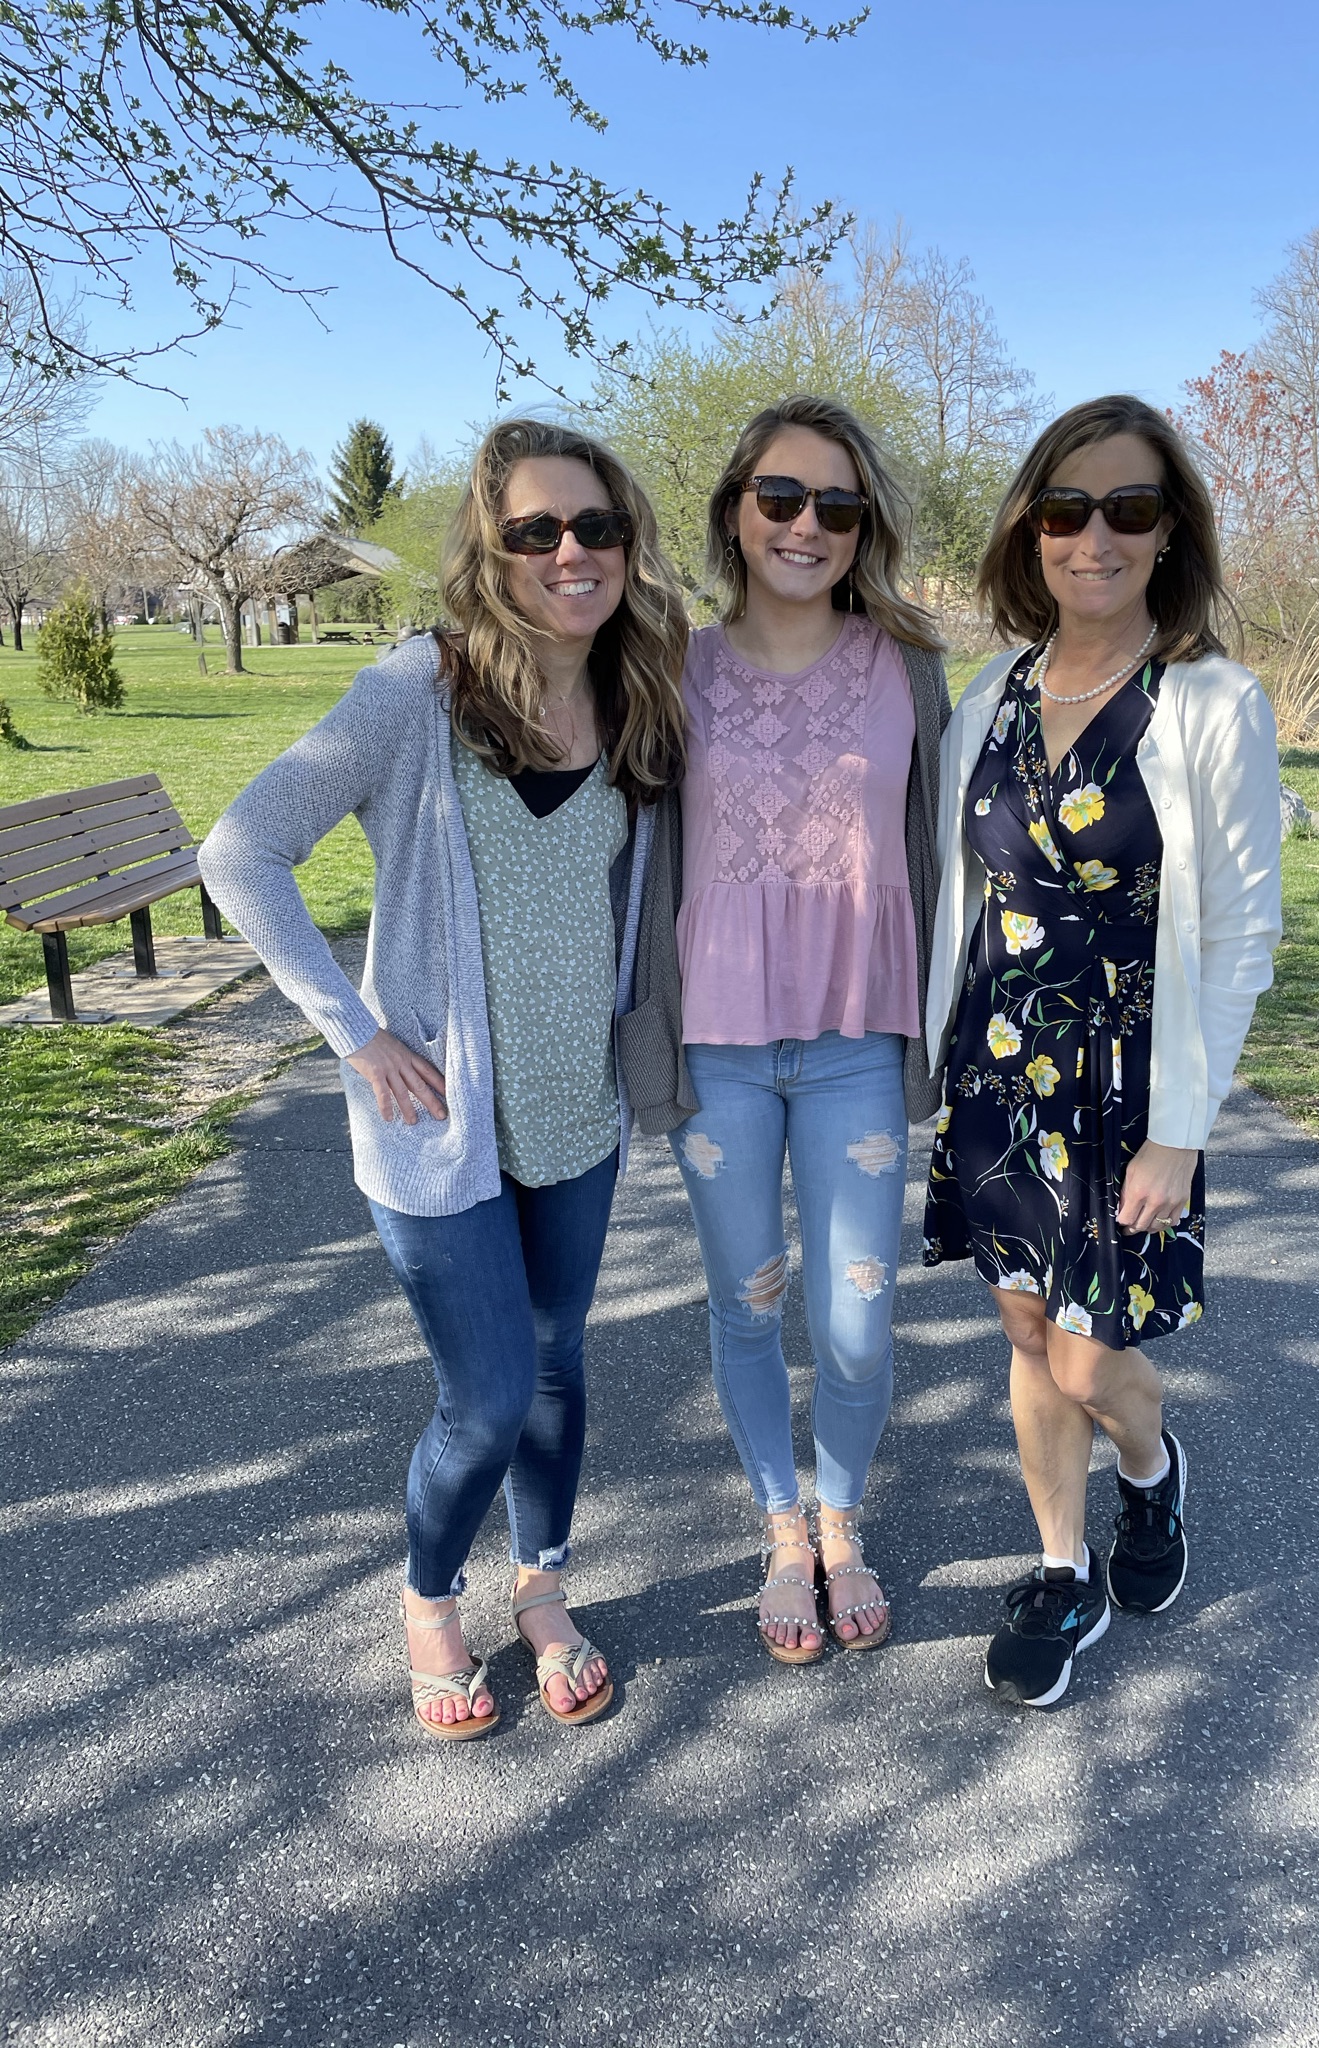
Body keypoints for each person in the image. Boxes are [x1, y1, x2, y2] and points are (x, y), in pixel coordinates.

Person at [201, 420, 688, 1737]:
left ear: (628, 543)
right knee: (483, 1395)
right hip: (438, 1131)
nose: (570, 552)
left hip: (576, 1117)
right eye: (537, 531)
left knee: (556, 1363)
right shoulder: (418, 690)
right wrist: (352, 1030)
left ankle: (543, 1588)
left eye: (595, 527)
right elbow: (240, 853)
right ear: (491, 548)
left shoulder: (640, 689)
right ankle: (429, 1595)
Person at [923, 395, 1282, 1707]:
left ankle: (1152, 1472)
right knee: (1027, 1331)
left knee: (1090, 1353)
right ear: (1030, 529)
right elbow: (963, 893)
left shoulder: (1210, 702)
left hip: (1130, 1090)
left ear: (1168, 529)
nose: (1094, 536)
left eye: (1129, 509)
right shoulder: (991, 692)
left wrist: (1185, 1128)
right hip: (1000, 1076)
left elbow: (1243, 931)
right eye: (1066, 509)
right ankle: (1061, 1567)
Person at [619, 394, 950, 1664]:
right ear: (735, 512)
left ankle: (846, 1517)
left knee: (858, 1315)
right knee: (749, 1300)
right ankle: (783, 1530)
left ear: (864, 529)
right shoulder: (673, 663)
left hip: (862, 1035)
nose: (807, 525)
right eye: (781, 498)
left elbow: (956, 841)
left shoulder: (906, 663)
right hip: (722, 1047)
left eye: (838, 505)